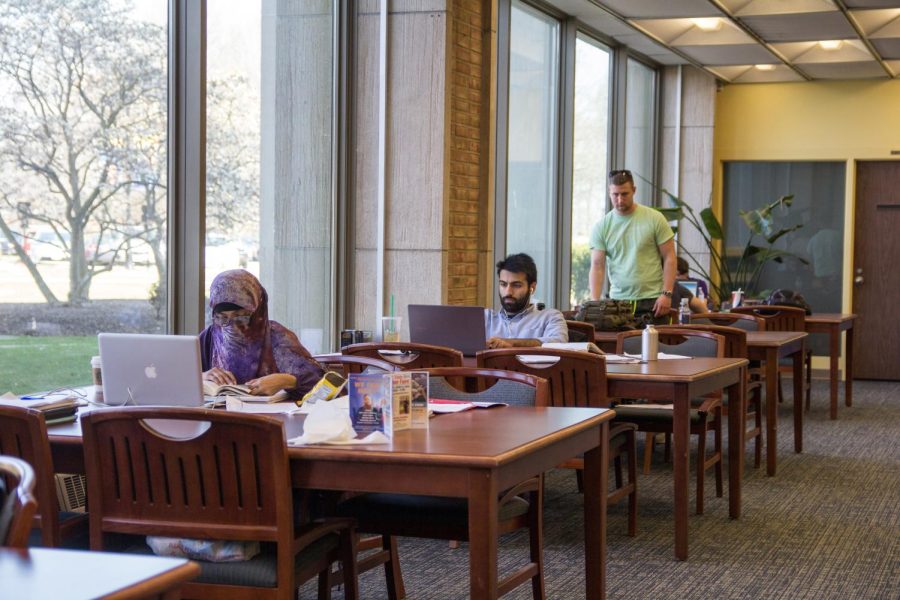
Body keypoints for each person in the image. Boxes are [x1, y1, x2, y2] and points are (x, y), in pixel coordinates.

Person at [200, 269, 324, 398]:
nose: (232, 326)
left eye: (240, 317)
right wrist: (202, 376)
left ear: (257, 312)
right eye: (222, 317)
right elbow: (180, 379)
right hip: (218, 415)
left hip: (271, 416)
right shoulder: (209, 337)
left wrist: (286, 381)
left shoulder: (276, 337)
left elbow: (325, 386)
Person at [588, 169, 676, 322]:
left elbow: (669, 257)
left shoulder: (655, 218)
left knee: (657, 345)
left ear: (634, 190)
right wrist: (595, 302)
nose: (620, 200)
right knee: (621, 346)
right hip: (618, 303)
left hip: (653, 301)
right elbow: (597, 265)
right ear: (609, 192)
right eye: (615, 195)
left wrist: (667, 294)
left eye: (624, 194)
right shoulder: (602, 227)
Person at [485, 253, 568, 348]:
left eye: (516, 285)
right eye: (503, 284)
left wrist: (511, 343)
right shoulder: (486, 318)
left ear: (532, 287)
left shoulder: (550, 317)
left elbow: (559, 343)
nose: (508, 292)